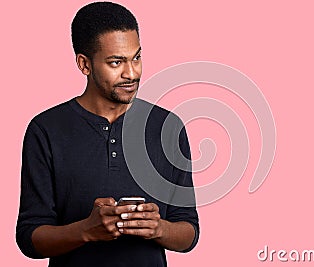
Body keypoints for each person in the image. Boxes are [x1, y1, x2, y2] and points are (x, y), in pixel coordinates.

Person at [16, 2, 199, 267]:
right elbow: (29, 238)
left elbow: (189, 232)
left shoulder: (167, 126)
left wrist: (159, 229)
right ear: (84, 64)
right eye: (116, 62)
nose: (131, 73)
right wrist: (85, 231)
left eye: (136, 57)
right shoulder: (45, 129)